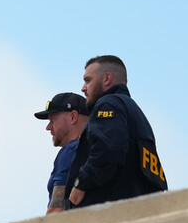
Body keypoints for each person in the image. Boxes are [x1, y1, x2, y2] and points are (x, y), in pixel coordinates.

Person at [66, 55, 168, 208]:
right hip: (136, 211)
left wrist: (81, 184)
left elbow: (108, 150)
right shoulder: (135, 113)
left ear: (107, 79)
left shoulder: (108, 104)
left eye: (88, 80)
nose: (83, 88)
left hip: (106, 212)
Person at [34, 92, 89, 214]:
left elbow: (57, 210)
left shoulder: (70, 150)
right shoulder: (95, 147)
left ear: (73, 117)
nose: (48, 127)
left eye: (53, 120)